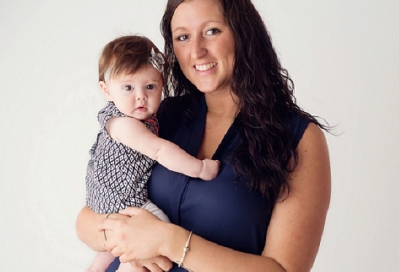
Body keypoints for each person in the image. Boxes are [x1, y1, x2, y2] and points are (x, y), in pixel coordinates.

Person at [77, 0, 331, 271]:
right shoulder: (158, 116)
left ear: (242, 33)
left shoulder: (297, 138)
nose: (196, 51)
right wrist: (123, 237)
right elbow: (86, 221)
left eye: (212, 31)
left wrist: (168, 241)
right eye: (183, 37)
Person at [84, 35, 220, 272]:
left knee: (116, 241)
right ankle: (128, 266)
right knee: (158, 228)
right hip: (122, 197)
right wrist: (199, 168)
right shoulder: (125, 124)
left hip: (105, 197)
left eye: (150, 86)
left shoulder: (139, 118)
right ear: (106, 90)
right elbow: (160, 150)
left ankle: (97, 267)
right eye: (128, 87)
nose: (141, 96)